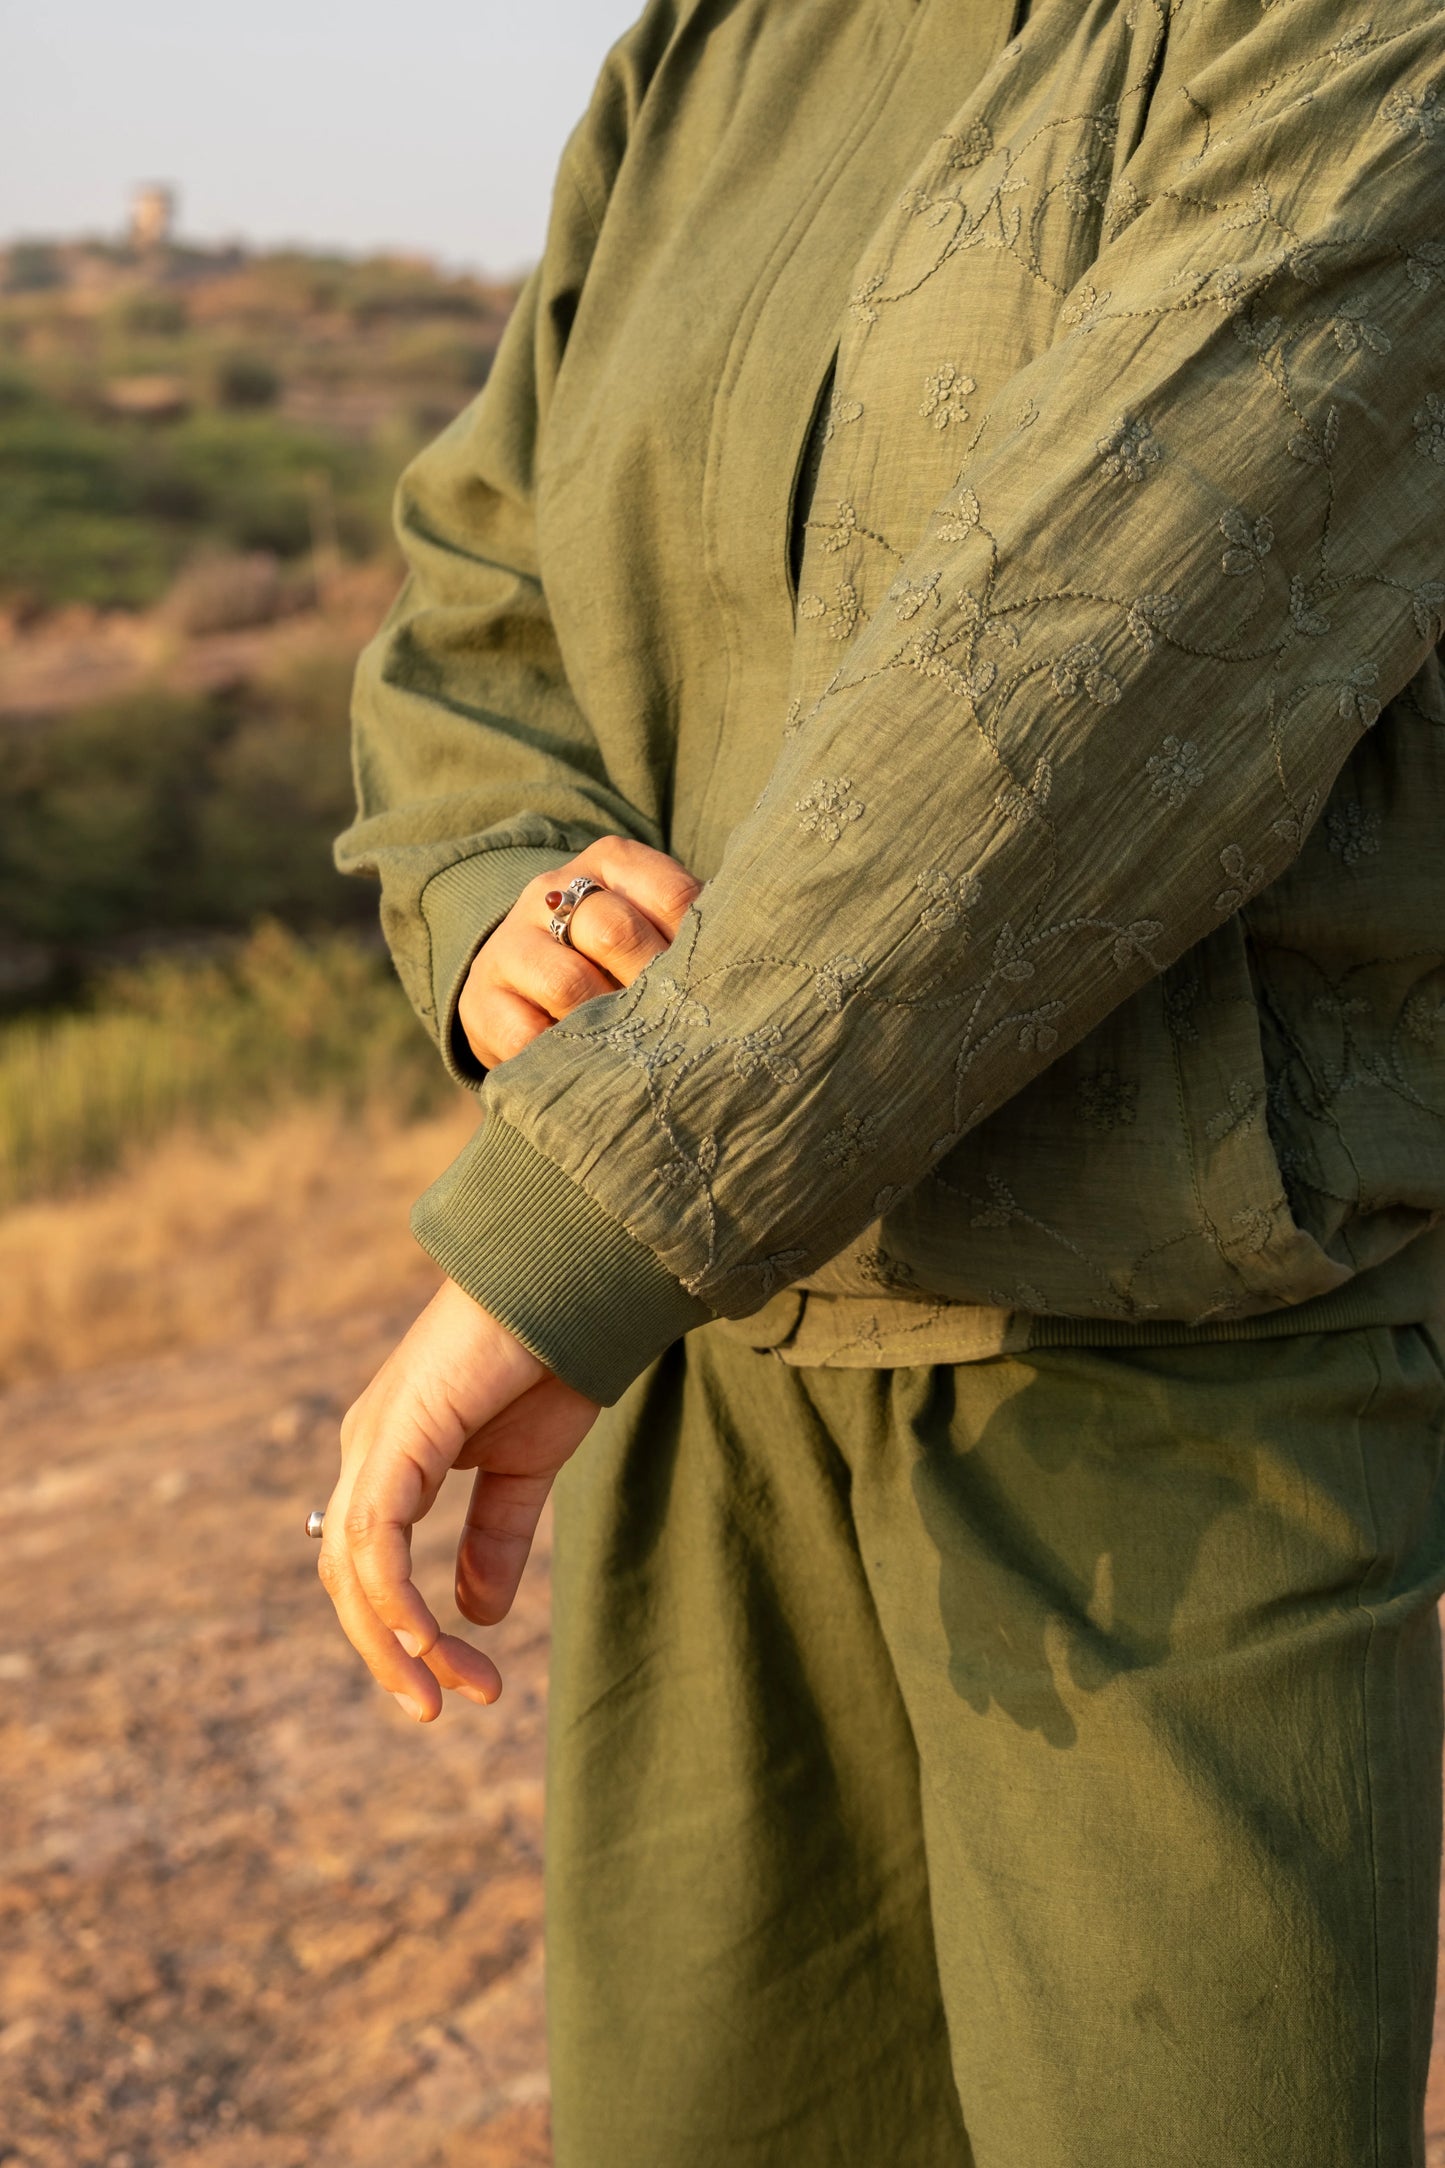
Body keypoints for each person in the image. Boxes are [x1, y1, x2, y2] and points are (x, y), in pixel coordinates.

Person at [318, 0, 1445, 2159]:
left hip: (1158, 1361)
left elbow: (1088, 660)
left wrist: (581, 1223)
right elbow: (478, 585)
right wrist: (501, 909)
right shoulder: (714, 48)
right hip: (709, 1368)